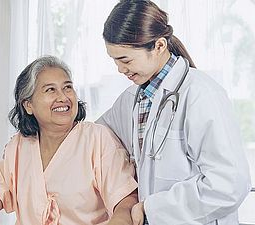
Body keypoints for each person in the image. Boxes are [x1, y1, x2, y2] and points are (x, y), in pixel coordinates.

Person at [96, 1, 252, 225]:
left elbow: (229, 184)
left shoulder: (201, 94)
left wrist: (152, 209)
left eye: (125, 60)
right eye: (114, 60)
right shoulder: (133, 100)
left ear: (159, 46)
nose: (120, 69)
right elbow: (95, 138)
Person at [0, 55, 138, 225]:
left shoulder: (97, 139)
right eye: (50, 90)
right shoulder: (18, 146)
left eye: (67, 87)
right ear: (29, 105)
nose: (63, 97)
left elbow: (125, 198)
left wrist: (121, 219)